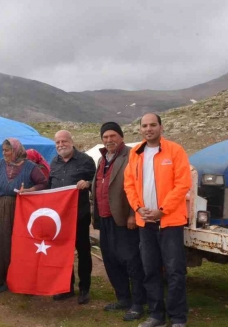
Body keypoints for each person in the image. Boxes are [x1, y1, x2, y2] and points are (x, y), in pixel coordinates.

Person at [123, 113, 191, 327]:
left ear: (161, 127)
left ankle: (178, 317)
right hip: (145, 223)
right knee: (150, 270)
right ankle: (156, 315)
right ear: (140, 129)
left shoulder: (175, 150)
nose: (148, 129)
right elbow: (129, 185)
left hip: (169, 222)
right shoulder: (136, 152)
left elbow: (183, 184)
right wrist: (138, 208)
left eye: (153, 125)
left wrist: (162, 210)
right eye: (144, 125)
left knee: (174, 271)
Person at [91, 122, 146, 322]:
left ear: (121, 137)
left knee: (132, 262)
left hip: (124, 218)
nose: (109, 140)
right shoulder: (101, 159)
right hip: (105, 218)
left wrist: (133, 214)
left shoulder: (132, 155)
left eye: (113, 136)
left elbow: (137, 186)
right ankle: (123, 298)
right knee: (111, 261)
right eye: (105, 137)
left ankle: (138, 303)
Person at [0, 139, 48, 293]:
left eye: (7, 150)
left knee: (18, 244)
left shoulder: (30, 166)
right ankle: (1, 281)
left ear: (16, 150)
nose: (4, 153)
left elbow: (43, 183)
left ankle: (20, 280)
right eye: (3, 150)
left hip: (20, 209)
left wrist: (30, 190)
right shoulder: (0, 164)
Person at [49, 130, 96, 304]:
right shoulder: (53, 162)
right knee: (63, 253)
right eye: (57, 142)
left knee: (83, 252)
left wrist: (89, 183)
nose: (61, 145)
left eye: (64, 141)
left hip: (79, 216)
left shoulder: (86, 160)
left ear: (71, 141)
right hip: (60, 218)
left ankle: (84, 289)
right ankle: (66, 287)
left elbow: (96, 181)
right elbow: (49, 186)